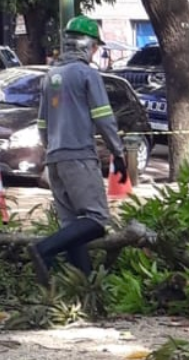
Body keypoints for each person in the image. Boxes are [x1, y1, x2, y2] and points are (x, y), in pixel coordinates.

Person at [29, 15, 128, 286]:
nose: (96, 51)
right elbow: (104, 117)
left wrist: (52, 152)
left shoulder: (50, 77)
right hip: (79, 156)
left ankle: (83, 290)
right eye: (95, 45)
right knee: (97, 219)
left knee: (72, 227)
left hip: (55, 159)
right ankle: (43, 249)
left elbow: (41, 124)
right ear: (87, 45)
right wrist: (118, 154)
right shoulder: (87, 74)